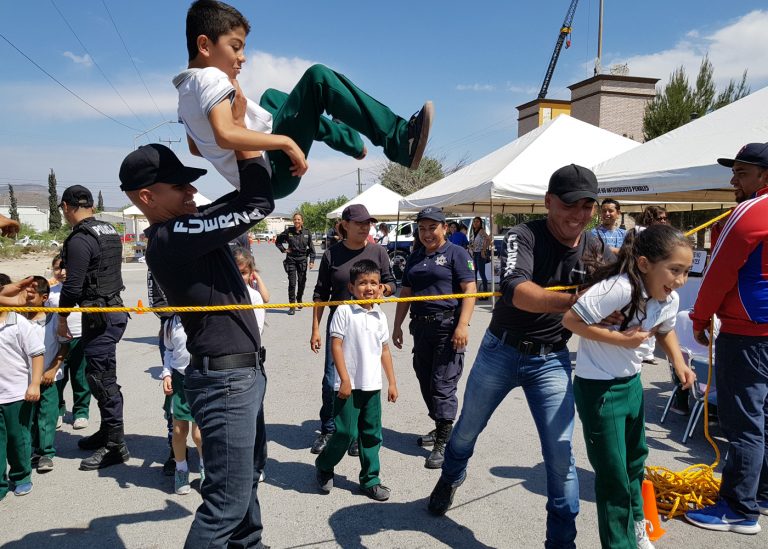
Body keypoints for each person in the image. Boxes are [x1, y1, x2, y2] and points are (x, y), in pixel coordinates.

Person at [427, 165, 609, 549]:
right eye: (570, 204)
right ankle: (450, 478)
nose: (579, 214)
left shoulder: (595, 246)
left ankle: (561, 542)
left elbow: (621, 283)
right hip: (501, 350)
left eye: (588, 205)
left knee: (561, 456)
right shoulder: (523, 235)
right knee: (466, 432)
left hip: (552, 359)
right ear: (548, 202)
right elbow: (516, 291)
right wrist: (578, 302)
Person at [120, 143, 273, 548]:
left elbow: (245, 200)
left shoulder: (185, 226)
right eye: (179, 186)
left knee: (244, 488)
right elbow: (257, 203)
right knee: (226, 503)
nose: (191, 192)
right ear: (147, 198)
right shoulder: (172, 237)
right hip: (226, 381)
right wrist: (245, 140)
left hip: (242, 374)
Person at [175, 0, 433, 199]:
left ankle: (349, 141)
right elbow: (225, 134)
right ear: (205, 46)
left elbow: (197, 147)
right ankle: (400, 141)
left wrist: (231, 158)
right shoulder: (210, 78)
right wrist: (285, 143)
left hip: (261, 172)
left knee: (272, 99)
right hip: (273, 173)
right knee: (318, 79)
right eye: (235, 47)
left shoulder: (185, 92)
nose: (242, 57)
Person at [562, 225, 696, 549]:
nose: (679, 280)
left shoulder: (669, 297)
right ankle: (619, 544)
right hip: (600, 391)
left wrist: (678, 362)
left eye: (686, 272)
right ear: (645, 264)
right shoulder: (618, 288)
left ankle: (638, 524)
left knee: (636, 462)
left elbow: (664, 329)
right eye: (674, 270)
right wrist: (620, 339)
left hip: (632, 383)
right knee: (614, 478)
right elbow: (571, 320)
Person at [685, 142, 768, 534]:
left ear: (764, 177)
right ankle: (760, 492)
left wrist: (700, 318)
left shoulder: (751, 210)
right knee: (763, 418)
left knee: (744, 421)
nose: (733, 180)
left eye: (742, 173)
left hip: (748, 331)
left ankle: (738, 508)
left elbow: (718, 271)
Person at [392, 207, 477, 469]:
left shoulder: (456, 253)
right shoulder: (415, 256)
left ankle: (443, 440)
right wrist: (397, 326)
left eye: (432, 227)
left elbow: (470, 289)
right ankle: (442, 425)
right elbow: (405, 293)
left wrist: (463, 325)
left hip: (448, 327)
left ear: (444, 227)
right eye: (422, 228)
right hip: (421, 328)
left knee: (442, 383)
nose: (427, 233)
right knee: (425, 379)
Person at [310, 204, 396, 455]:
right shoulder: (331, 254)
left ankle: (357, 433)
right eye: (359, 223)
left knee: (365, 378)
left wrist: (384, 290)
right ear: (345, 225)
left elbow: (390, 282)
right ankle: (329, 428)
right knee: (331, 379)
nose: (364, 227)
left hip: (368, 323)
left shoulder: (378, 252)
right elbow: (320, 294)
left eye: (367, 222)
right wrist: (315, 329)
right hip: (339, 324)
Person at [57, 185, 129, 471]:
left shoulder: (79, 239)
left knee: (101, 379)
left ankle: (115, 445)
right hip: (112, 310)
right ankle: (107, 433)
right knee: (97, 374)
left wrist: (62, 317)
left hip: (99, 316)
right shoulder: (108, 230)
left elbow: (73, 287)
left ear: (66, 207)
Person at [315, 260, 398, 501]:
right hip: (347, 386)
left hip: (372, 386)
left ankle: (370, 479)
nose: (369, 287)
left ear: (381, 286)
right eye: (362, 283)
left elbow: (384, 350)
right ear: (352, 287)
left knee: (372, 433)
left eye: (373, 282)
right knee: (344, 433)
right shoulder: (344, 311)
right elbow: (336, 346)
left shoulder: (379, 315)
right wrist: (344, 379)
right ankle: (324, 466)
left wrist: (391, 382)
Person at [0, 286, 44, 499]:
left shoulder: (18, 323)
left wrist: (34, 384)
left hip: (17, 394)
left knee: (18, 438)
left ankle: (21, 476)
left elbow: (36, 354)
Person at [27, 276, 68, 474]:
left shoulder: (54, 320)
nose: (26, 298)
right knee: (28, 416)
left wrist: (53, 368)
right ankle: (32, 449)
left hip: (49, 378)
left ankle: (45, 453)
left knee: (47, 415)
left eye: (31, 295)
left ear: (44, 297)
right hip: (24, 379)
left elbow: (63, 346)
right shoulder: (18, 319)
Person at [161, 314, 204, 496]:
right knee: (178, 431)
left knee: (199, 434)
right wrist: (167, 374)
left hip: (201, 377)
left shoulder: (205, 315)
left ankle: (206, 469)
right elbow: (169, 351)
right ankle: (181, 469)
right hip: (179, 380)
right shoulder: (171, 323)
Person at [47, 254, 90, 431]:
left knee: (80, 377)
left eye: (66, 268)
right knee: (56, 378)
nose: (62, 272)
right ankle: (57, 411)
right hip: (56, 340)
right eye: (58, 268)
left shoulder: (81, 289)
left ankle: (81, 412)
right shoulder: (49, 291)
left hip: (79, 337)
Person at [147, 268, 180, 477]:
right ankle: (176, 451)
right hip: (173, 328)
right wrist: (175, 318)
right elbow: (155, 301)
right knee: (173, 393)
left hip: (205, 326)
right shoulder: (157, 258)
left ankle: (210, 451)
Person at [275, 212, 315, 314]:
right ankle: (292, 306)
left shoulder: (307, 232)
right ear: (293, 221)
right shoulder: (288, 231)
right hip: (291, 259)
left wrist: (311, 261)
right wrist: (283, 250)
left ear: (302, 221)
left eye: (298, 219)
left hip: (302, 259)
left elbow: (311, 248)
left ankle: (299, 298)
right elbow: (278, 241)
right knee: (292, 283)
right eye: (295, 219)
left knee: (302, 282)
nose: (297, 221)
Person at [233, 246, 268, 334]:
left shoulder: (254, 294)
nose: (239, 277)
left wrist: (257, 277)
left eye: (243, 273)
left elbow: (266, 298)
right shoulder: (222, 293)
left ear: (250, 272)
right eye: (235, 272)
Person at [468, 217, 491, 299]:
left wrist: (483, 250)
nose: (475, 223)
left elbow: (489, 239)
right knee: (473, 274)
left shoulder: (481, 231)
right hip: (473, 254)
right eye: (474, 221)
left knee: (482, 274)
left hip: (479, 255)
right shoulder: (473, 232)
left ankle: (485, 294)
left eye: (477, 221)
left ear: (480, 223)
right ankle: (474, 292)